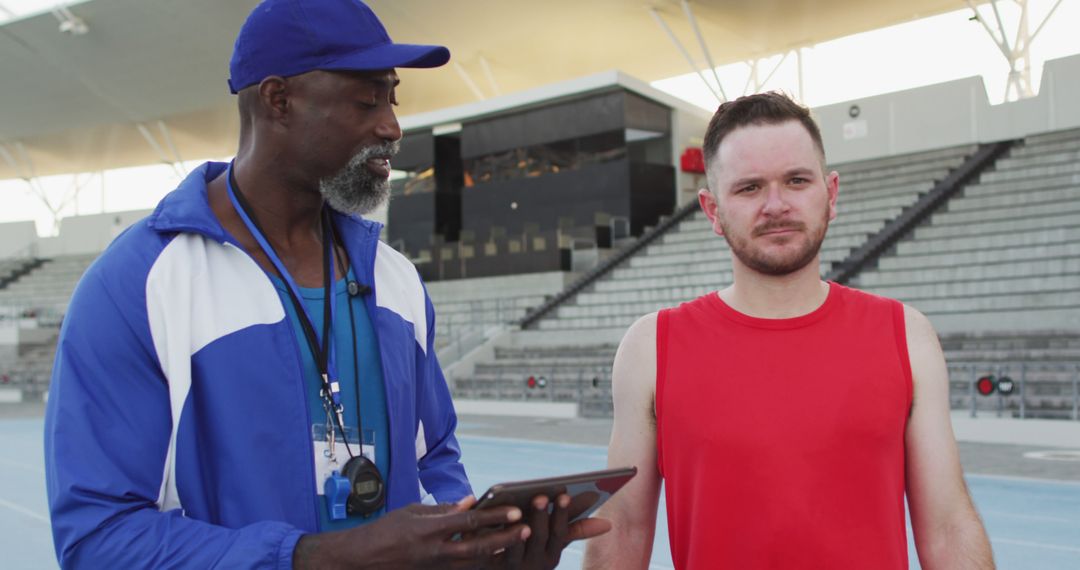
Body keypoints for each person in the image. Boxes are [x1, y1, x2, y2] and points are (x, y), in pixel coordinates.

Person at [43, 1, 607, 568]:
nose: (391, 126)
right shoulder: (137, 284)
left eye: (393, 98)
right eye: (366, 100)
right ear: (278, 100)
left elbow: (436, 464)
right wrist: (317, 557)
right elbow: (98, 539)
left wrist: (482, 546)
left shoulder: (396, 280)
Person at [582, 92, 994, 569]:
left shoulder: (906, 335)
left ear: (831, 194)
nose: (776, 205)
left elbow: (947, 526)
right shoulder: (652, 347)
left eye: (796, 181)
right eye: (749, 188)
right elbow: (624, 530)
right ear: (713, 211)